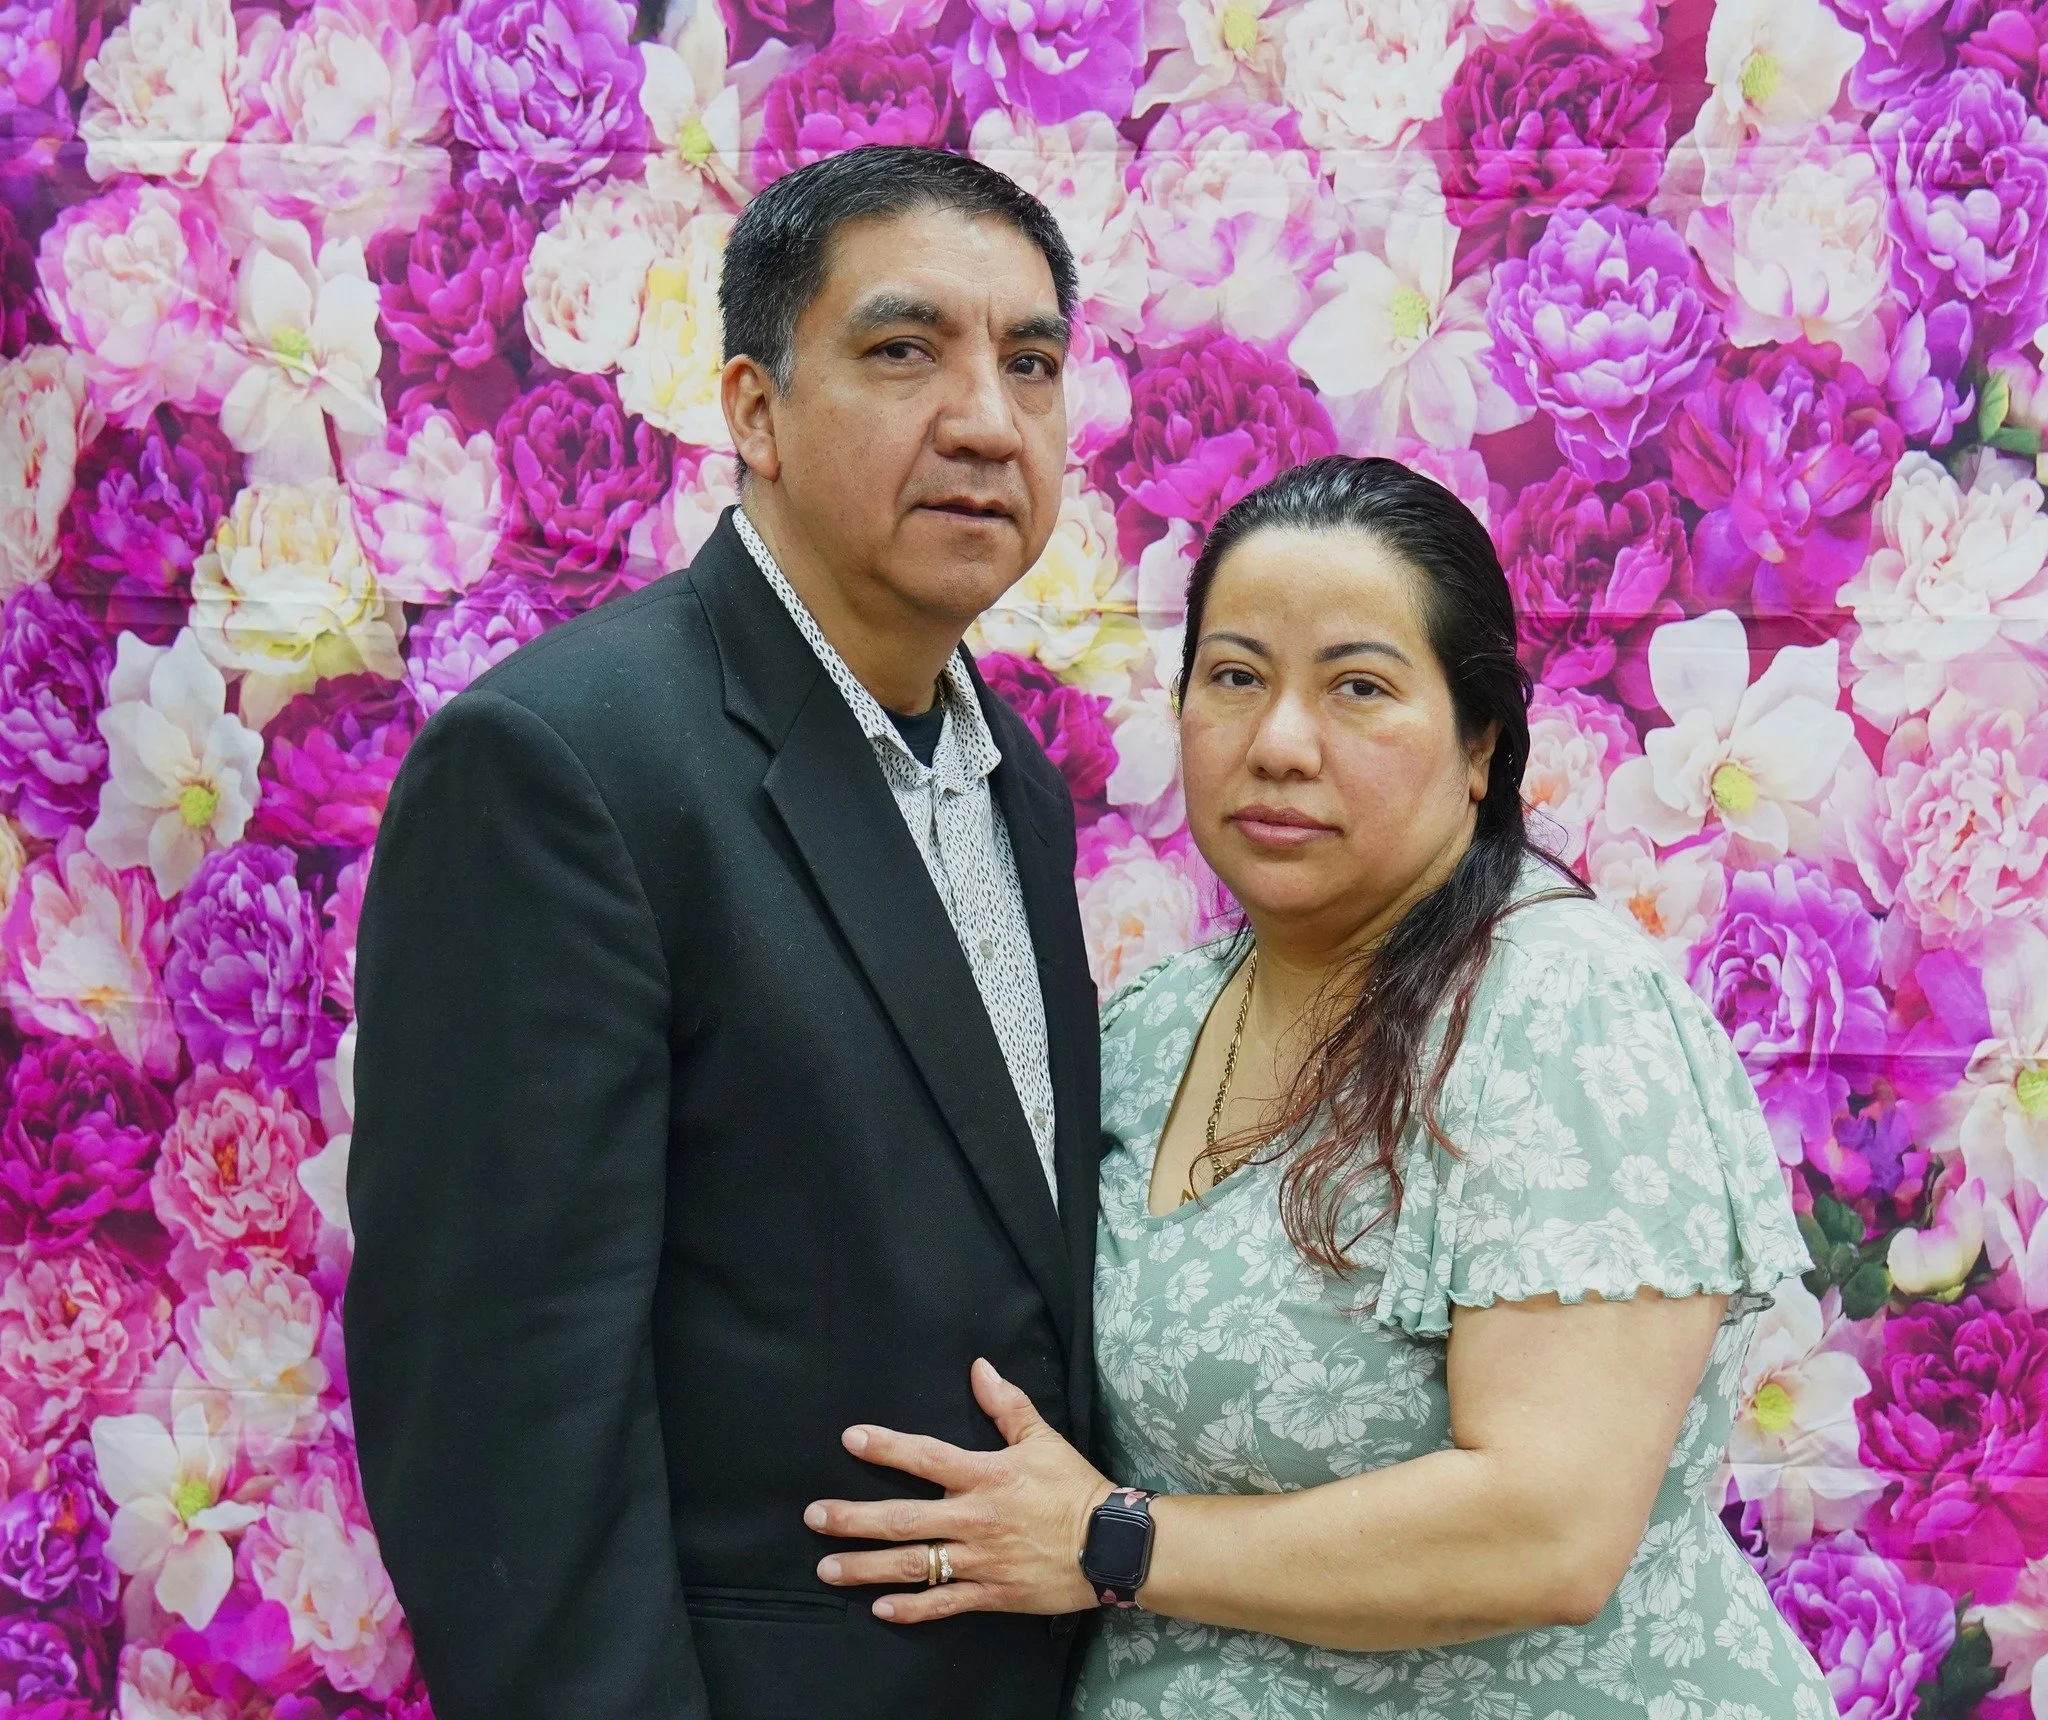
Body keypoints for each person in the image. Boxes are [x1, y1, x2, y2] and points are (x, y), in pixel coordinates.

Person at [801, 456, 1841, 1720]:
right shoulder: (1150, 1022)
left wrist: (1109, 1543)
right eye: (1234, 678)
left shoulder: (1555, 1008)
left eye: (1356, 688)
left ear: (1479, 747)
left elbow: (1547, 1528)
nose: (1281, 743)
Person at [344, 146, 1102, 1720]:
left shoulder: (1011, 776)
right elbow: (501, 1415)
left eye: (1029, 364)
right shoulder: (567, 763)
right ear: (752, 409)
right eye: (904, 351)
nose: (984, 418)